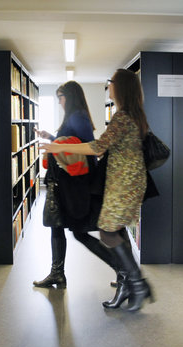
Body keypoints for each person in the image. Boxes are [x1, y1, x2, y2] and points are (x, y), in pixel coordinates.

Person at [40, 69, 153, 312]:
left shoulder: (122, 117)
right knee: (111, 230)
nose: (109, 85)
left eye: (111, 82)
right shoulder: (133, 115)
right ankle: (131, 283)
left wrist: (55, 145)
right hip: (126, 182)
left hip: (122, 183)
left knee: (108, 232)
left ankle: (136, 283)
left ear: (120, 87)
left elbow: (98, 147)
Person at [33, 81, 118, 290]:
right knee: (57, 225)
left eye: (60, 97)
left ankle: (123, 269)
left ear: (68, 97)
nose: (59, 101)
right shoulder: (75, 116)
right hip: (62, 180)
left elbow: (90, 147)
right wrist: (51, 138)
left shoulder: (78, 116)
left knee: (79, 230)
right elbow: (72, 142)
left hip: (72, 182)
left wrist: (54, 145)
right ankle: (57, 273)